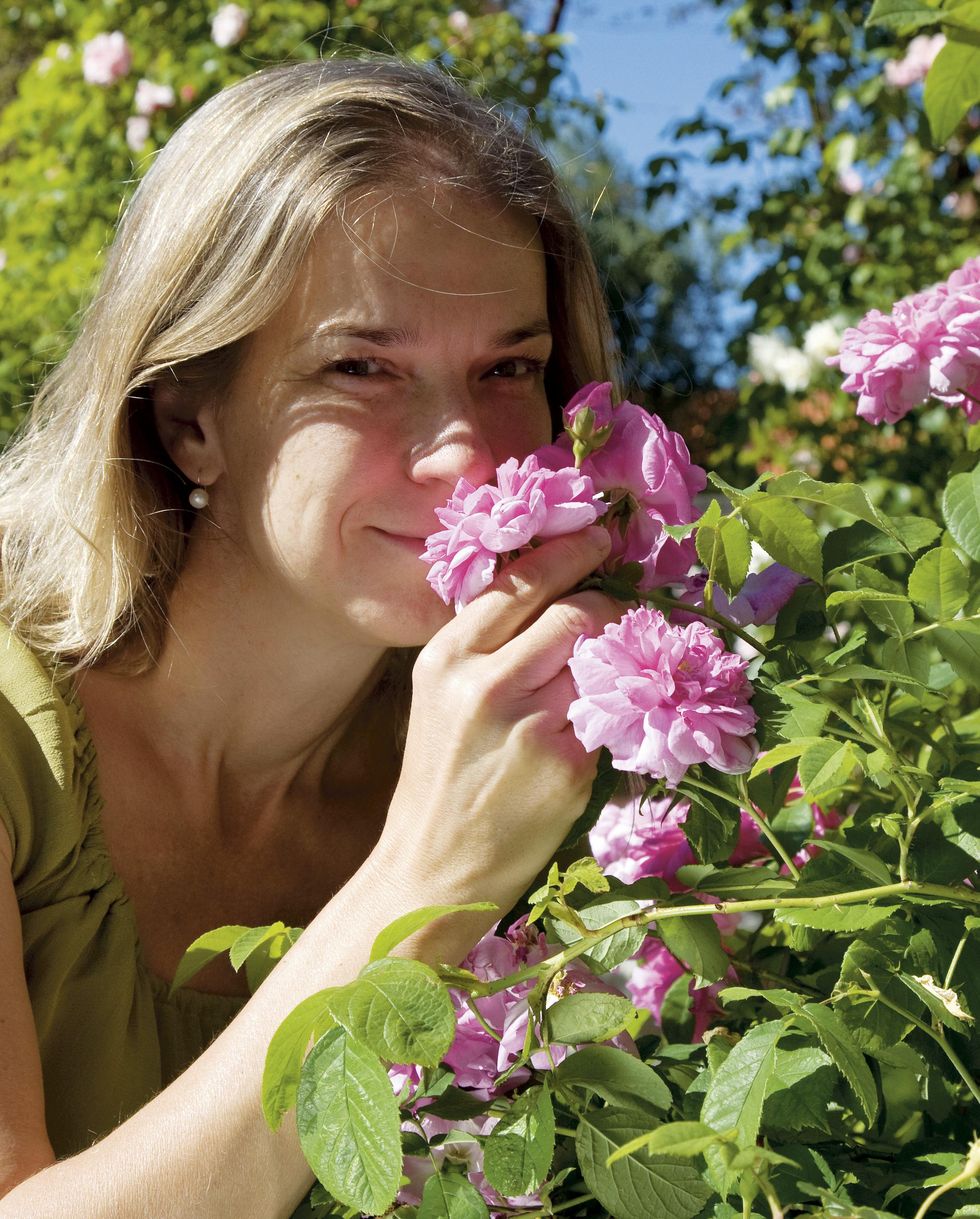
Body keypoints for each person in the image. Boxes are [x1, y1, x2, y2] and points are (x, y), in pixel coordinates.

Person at [0, 57, 624, 1216]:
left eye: (510, 368)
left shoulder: (549, 753)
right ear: (190, 418)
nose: (465, 453)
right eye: (362, 367)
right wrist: (426, 878)